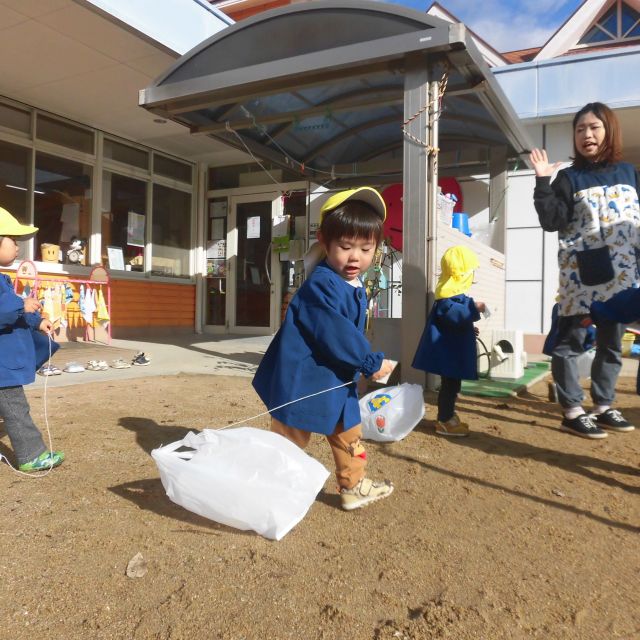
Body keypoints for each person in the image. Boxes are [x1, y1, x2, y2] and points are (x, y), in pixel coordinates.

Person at [252, 187, 394, 511]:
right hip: (305, 380)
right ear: (325, 242)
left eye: (365, 248)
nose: (355, 256)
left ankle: (354, 485)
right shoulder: (322, 284)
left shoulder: (352, 284)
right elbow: (336, 332)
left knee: (350, 434)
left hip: (335, 379)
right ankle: (269, 492)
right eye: (345, 247)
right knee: (289, 438)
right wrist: (370, 361)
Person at [531, 101, 640, 439]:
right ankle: (572, 409)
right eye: (580, 129)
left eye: (594, 127)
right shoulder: (569, 177)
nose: (587, 135)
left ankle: (604, 406)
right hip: (583, 280)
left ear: (609, 131)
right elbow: (552, 221)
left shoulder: (629, 173)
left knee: (610, 345)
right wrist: (543, 180)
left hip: (623, 278)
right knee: (570, 344)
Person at [0, 207, 65, 471]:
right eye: (13, 241)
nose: (18, 248)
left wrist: (37, 321)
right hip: (3, 368)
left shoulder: (4, 280)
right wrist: (21, 306)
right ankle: (31, 455)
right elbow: (7, 310)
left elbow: (14, 311)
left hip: (6, 362)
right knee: (16, 409)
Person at [412, 245, 485, 437]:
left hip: (452, 353)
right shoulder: (447, 299)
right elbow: (455, 316)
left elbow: (455, 322)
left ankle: (448, 416)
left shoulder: (451, 298)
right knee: (449, 387)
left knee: (452, 386)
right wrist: (475, 308)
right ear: (461, 275)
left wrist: (469, 327)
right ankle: (444, 420)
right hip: (450, 355)